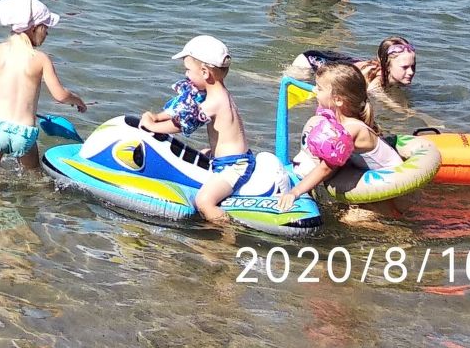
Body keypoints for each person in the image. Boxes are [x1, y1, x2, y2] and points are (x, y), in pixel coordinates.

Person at [140, 35, 256, 226]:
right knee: (201, 154)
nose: (186, 75)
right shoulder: (212, 94)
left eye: (188, 70)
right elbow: (181, 110)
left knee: (203, 202)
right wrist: (158, 116)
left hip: (234, 166)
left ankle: (227, 236)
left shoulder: (215, 101)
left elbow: (184, 123)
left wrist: (153, 126)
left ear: (204, 72)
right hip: (226, 159)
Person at [0, 0, 86, 174]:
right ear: (33, 29)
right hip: (23, 134)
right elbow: (60, 95)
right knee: (35, 179)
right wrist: (78, 100)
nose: (47, 32)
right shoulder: (40, 59)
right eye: (45, 27)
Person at [278, 63, 401, 210]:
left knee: (352, 220)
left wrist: (295, 192)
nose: (314, 90)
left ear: (338, 100)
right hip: (374, 177)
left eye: (320, 88)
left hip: (393, 185)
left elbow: (326, 168)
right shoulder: (344, 122)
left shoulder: (351, 129)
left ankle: (397, 230)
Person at [286, 36, 418, 118]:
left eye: (413, 66)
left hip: (336, 60)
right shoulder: (373, 83)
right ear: (386, 65)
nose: (411, 72)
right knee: (292, 87)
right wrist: (418, 116)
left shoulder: (389, 74)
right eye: (405, 67)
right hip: (310, 61)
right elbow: (392, 105)